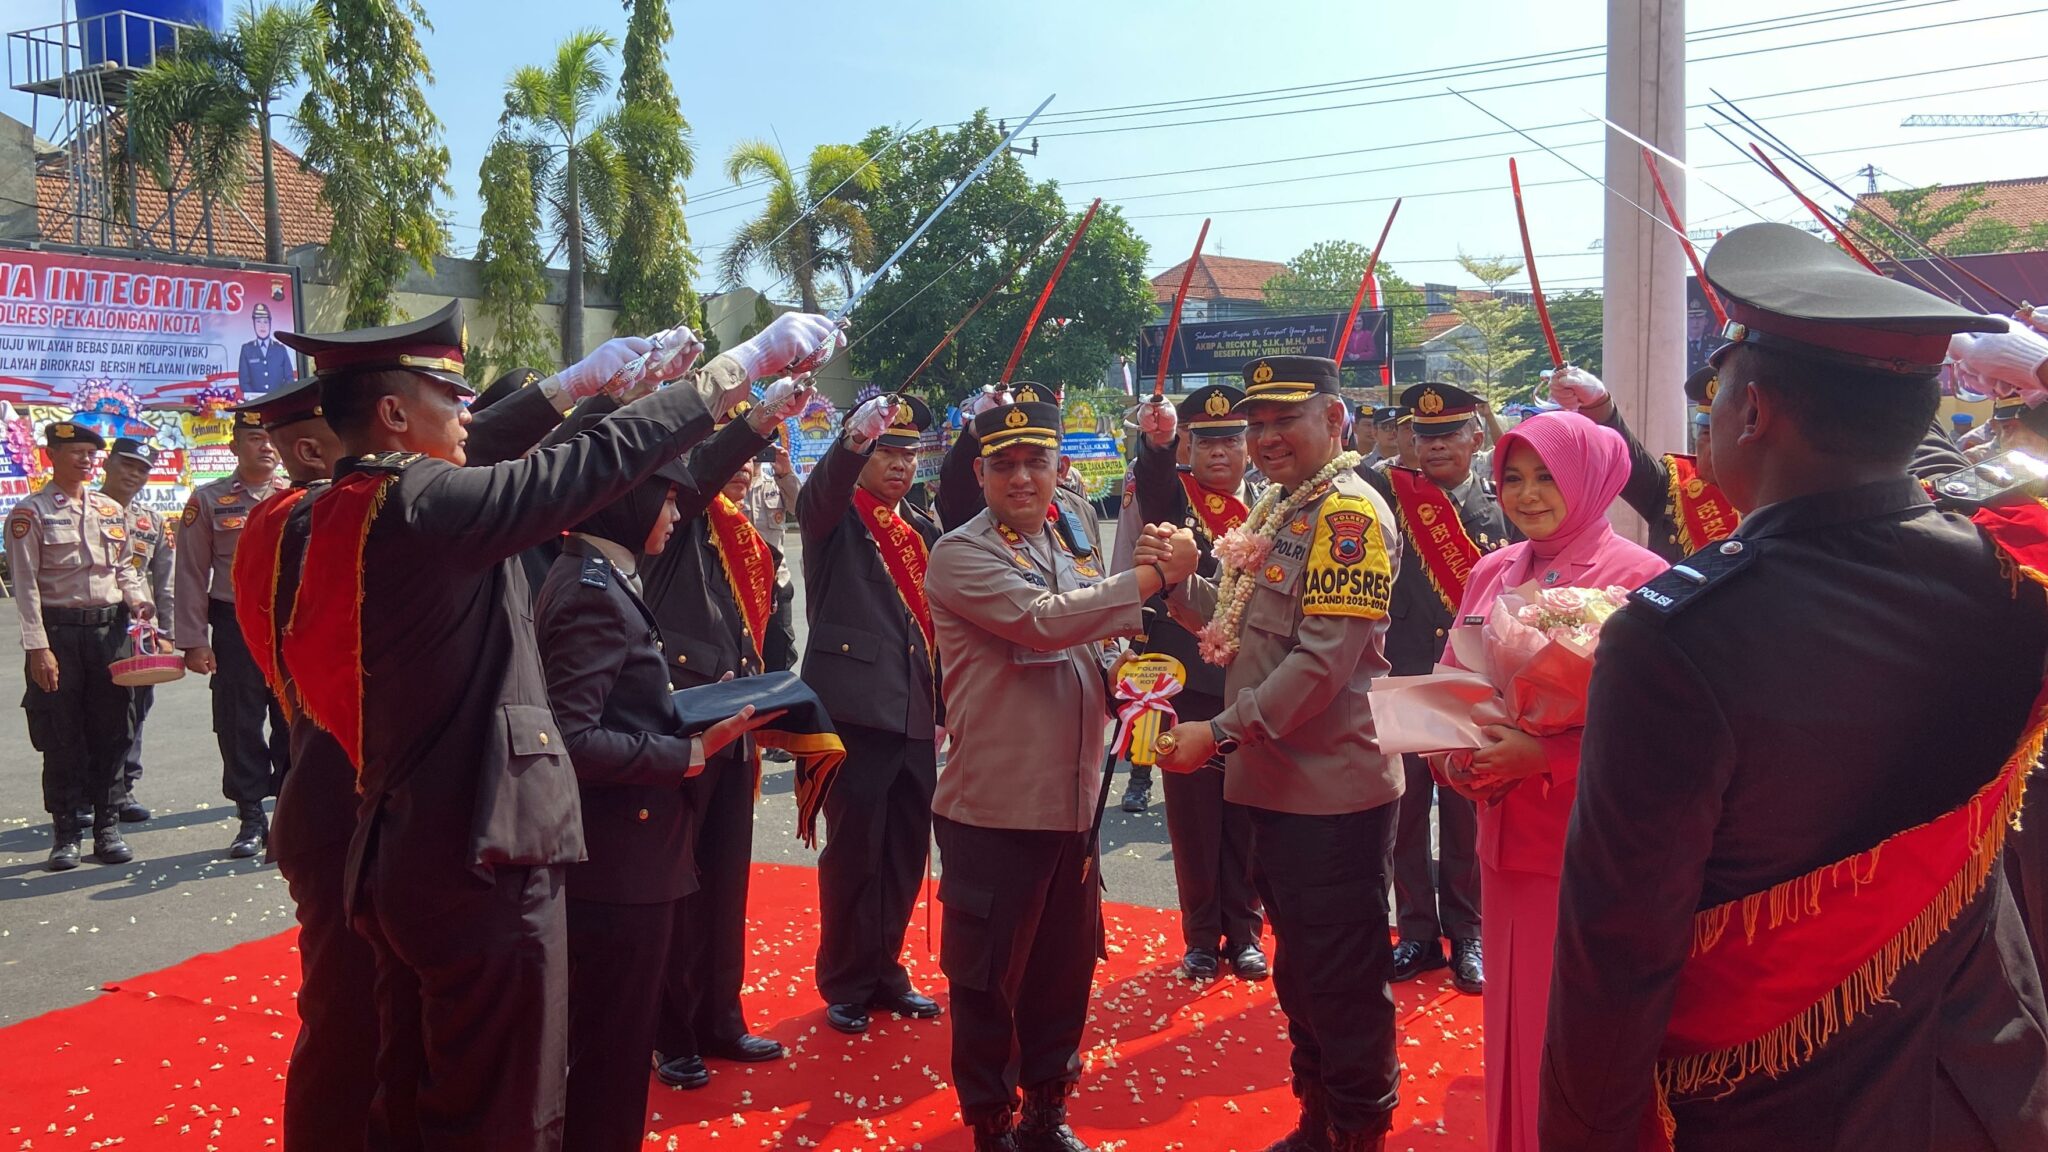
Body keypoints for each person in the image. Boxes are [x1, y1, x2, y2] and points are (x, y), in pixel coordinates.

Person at [1540, 222, 2048, 1151]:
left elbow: (1615, 958)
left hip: (1776, 1107)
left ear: (1754, 411)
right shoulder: (2018, 577)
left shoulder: (1677, 635)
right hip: (1993, 1084)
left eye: (1718, 390)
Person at [277, 299, 827, 1152]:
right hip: (473, 862)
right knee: (494, 1111)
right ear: (393, 414)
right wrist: (737, 369)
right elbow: (584, 467)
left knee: (415, 1094)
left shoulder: (361, 497)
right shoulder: (422, 505)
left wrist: (570, 388)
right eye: (447, 398)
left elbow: (492, 453)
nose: (468, 416)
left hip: (409, 855)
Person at [232, 359, 611, 1152]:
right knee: (351, 1040)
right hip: (353, 811)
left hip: (364, 814)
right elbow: (452, 490)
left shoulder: (352, 507)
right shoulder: (307, 522)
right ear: (317, 452)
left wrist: (571, 388)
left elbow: (468, 466)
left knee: (396, 1046)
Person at [927, 392, 1196, 1152]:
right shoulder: (960, 552)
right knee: (987, 983)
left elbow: (1091, 631)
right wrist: (1146, 582)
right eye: (1004, 465)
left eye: (1035, 462)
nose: (1021, 479)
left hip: (1076, 805)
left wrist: (1126, 674)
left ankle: (1047, 1107)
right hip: (995, 806)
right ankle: (992, 1121)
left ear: (1059, 467)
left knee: (1063, 971)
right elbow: (1046, 618)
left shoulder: (1070, 532)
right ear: (979, 474)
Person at [1153, 354, 1405, 1152]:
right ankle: (1319, 1119)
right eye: (1254, 424)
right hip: (1277, 783)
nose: (1263, 438)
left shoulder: (1348, 515)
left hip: (1332, 792)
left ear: (1336, 420)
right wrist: (1181, 582)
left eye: (1281, 420)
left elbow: (1323, 661)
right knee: (1302, 974)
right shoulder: (1284, 506)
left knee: (1342, 980)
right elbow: (1243, 631)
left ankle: (1357, 1130)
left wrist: (1219, 733)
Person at [1428, 411, 1665, 1152]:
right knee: (1511, 1028)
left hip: (1589, 853)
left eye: (1548, 478)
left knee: (1577, 1042)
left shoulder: (1642, 577)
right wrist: (1456, 757)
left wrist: (1547, 760)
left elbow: (1664, 738)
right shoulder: (1491, 570)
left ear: (1593, 478)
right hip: (1503, 843)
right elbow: (1453, 685)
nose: (1528, 496)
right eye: (1513, 479)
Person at [535, 471, 779, 1152]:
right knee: (610, 1059)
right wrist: (687, 753)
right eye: (667, 497)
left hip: (625, 850)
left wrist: (692, 710)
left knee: (608, 1051)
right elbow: (572, 736)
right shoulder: (591, 590)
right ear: (629, 501)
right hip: (619, 860)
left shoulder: (599, 574)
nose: (677, 512)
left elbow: (621, 701)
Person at [643, 391, 812, 1090]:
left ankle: (720, 1015)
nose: (740, 471)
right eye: (726, 456)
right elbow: (705, 470)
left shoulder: (745, 535)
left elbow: (762, 630)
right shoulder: (672, 519)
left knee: (725, 881)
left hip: (735, 721)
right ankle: (673, 1033)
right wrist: (756, 421)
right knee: (679, 886)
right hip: (681, 720)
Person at [796, 393, 947, 1035]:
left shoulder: (918, 527)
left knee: (905, 853)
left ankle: (887, 969)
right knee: (854, 852)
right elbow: (818, 493)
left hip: (916, 715)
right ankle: (847, 980)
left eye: (909, 453)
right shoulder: (836, 518)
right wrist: (851, 441)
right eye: (888, 450)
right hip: (855, 714)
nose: (901, 465)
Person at [1358, 380, 1507, 994]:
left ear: (1476, 436)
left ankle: (1468, 932)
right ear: (1408, 441)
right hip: (1409, 673)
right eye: (1425, 435)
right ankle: (1417, 930)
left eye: (1450, 433)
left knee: (1469, 809)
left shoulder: (1502, 508)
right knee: (1409, 808)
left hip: (1472, 681)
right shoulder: (1390, 499)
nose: (1437, 445)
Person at [1129, 384, 1267, 982]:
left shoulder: (1272, 503)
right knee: (1191, 819)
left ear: (1247, 447)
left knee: (1248, 816)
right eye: (1205, 441)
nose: (1218, 453)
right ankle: (1200, 937)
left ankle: (1246, 932)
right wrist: (1157, 445)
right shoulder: (1175, 499)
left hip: (1251, 684)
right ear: (1190, 443)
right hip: (1184, 686)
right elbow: (1157, 484)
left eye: (1231, 440)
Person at [6, 422, 152, 870]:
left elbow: (125, 567)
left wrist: (140, 600)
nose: (86, 460)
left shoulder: (109, 509)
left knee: (113, 730)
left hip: (108, 632)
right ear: (51, 455)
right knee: (61, 734)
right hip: (60, 635)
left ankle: (106, 828)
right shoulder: (29, 513)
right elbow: (25, 586)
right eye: (76, 452)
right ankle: (66, 831)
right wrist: (37, 648)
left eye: (91, 453)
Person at [175, 411, 289, 857]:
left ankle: (288, 812)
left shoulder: (297, 494)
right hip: (234, 622)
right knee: (238, 721)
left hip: (288, 623)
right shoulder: (208, 501)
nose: (266, 446)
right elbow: (189, 574)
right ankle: (250, 816)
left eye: (270, 437)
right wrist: (193, 640)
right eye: (255, 438)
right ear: (234, 447)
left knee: (292, 718)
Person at [1548, 365, 1741, 563]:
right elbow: (1626, 458)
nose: (1714, 446)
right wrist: (1597, 403)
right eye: (1706, 433)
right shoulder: (1675, 485)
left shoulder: (1772, 499)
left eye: (1729, 433)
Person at [99, 436, 172, 824]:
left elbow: (166, 581)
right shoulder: (83, 508)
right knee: (85, 711)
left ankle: (123, 789)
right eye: (127, 464)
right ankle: (82, 795)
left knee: (135, 712)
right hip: (91, 626)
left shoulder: (151, 521)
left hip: (137, 632)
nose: (134, 474)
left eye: (142, 469)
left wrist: (168, 632)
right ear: (107, 464)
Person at [740, 434, 803, 675]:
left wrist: (786, 474)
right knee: (744, 660)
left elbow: (804, 508)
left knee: (779, 659)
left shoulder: (775, 483)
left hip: (777, 588)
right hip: (740, 587)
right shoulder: (729, 483)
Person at [237, 301, 296, 395]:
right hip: (256, 404)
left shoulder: (280, 350)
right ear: (254, 324)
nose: (262, 326)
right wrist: (257, 399)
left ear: (270, 323)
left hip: (277, 403)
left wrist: (279, 396)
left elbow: (289, 378)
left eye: (265, 322)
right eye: (258, 321)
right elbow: (244, 382)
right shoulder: (247, 350)